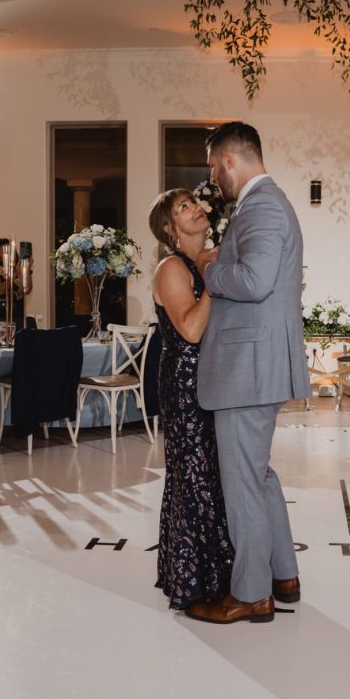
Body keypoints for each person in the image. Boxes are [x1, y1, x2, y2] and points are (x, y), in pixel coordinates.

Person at [188, 122, 310, 624]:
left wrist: (208, 267)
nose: (213, 178)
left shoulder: (260, 205)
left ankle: (252, 594)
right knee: (258, 477)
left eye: (214, 167)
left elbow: (255, 281)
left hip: (247, 367)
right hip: (256, 364)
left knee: (242, 483)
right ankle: (283, 574)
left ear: (230, 160)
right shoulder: (268, 203)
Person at [147, 188, 233, 611]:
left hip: (212, 379)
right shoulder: (171, 267)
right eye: (183, 207)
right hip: (184, 383)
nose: (196, 208)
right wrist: (214, 279)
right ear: (169, 227)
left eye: (193, 203)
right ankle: (193, 585)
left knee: (213, 477)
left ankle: (221, 575)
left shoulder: (208, 257)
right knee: (193, 478)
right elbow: (192, 330)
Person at [0, 238, 32, 325]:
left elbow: (27, 289)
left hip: (18, 317)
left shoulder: (20, 268)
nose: (9, 254)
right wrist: (14, 274)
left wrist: (27, 269)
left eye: (11, 251)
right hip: (1, 319)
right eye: (5, 252)